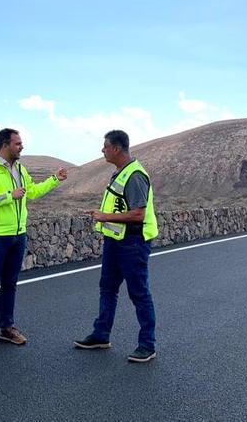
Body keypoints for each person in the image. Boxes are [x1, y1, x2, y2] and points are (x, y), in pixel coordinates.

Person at [0, 128, 67, 350]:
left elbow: (31, 192)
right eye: (17, 143)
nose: (21, 146)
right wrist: (8, 196)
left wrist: (54, 179)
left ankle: (7, 328)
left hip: (18, 235)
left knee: (10, 284)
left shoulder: (21, 169)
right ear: (5, 145)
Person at [74, 129, 159, 363]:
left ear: (117, 148)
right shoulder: (119, 173)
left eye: (105, 146)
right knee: (107, 288)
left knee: (139, 293)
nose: (102, 150)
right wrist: (104, 217)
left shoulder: (134, 175)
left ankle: (147, 345)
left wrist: (104, 217)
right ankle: (101, 335)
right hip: (115, 241)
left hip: (133, 242)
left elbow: (138, 214)